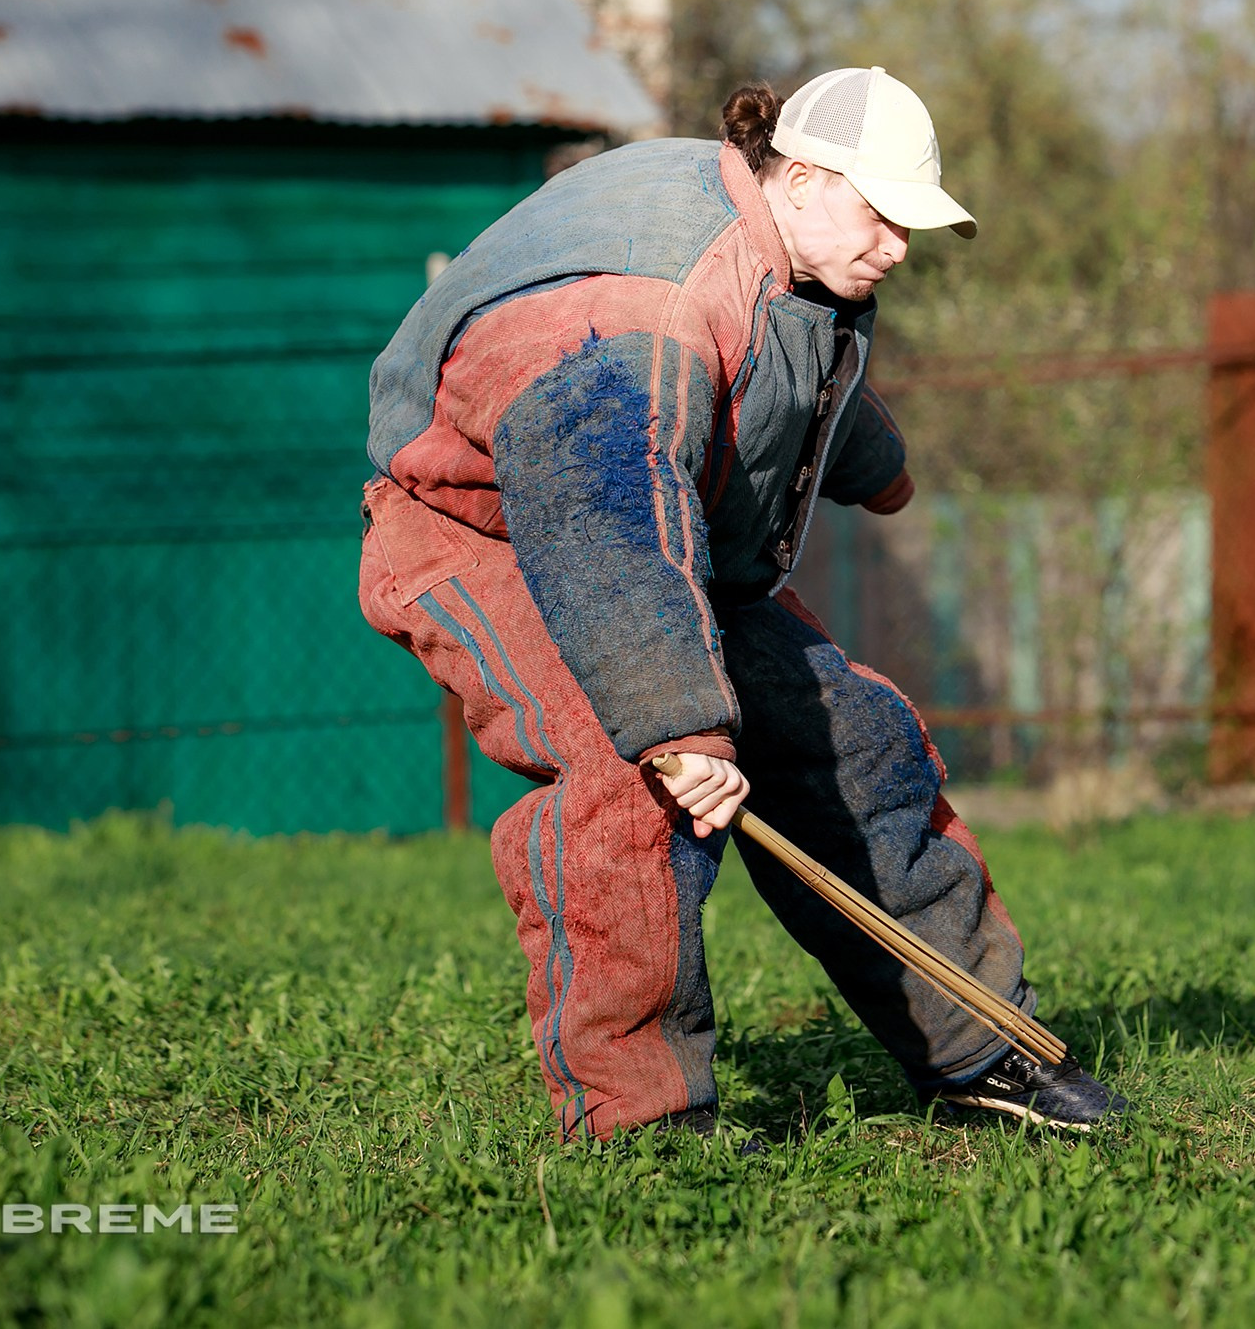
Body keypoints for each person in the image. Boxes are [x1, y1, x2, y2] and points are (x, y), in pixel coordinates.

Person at [359, 67, 1126, 1142]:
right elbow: (605, 513)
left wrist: (875, 463)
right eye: (885, 216)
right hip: (489, 536)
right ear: (804, 176)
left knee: (853, 745)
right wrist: (679, 724)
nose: (899, 247)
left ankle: (984, 1053)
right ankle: (642, 1123)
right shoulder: (642, 308)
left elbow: (788, 370)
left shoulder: (800, 254)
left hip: (669, 542)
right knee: (631, 777)